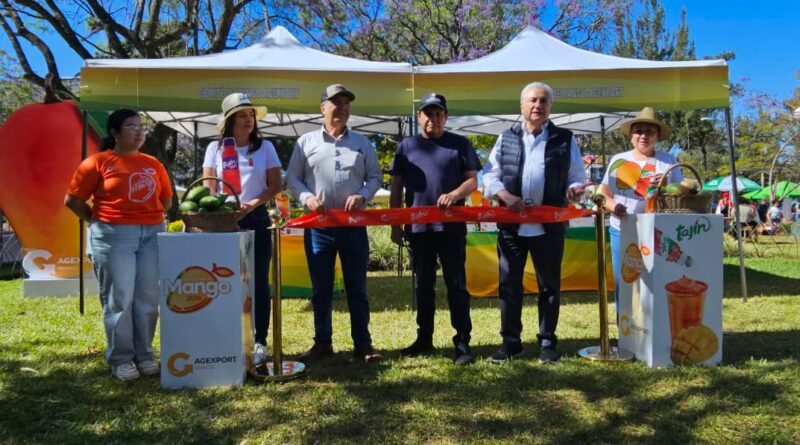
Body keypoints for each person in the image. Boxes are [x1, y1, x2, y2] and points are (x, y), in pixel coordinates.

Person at [482, 82, 589, 364]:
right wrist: (504, 195)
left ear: (550, 107)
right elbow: (489, 177)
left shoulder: (565, 139)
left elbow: (577, 176)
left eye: (543, 101)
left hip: (549, 228)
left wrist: (576, 189)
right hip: (511, 228)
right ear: (522, 106)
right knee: (508, 286)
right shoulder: (505, 138)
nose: (537, 105)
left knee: (549, 287)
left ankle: (547, 343)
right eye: (532, 100)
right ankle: (511, 343)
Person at [65, 109, 172, 381]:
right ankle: (121, 359)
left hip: (151, 233)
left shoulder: (153, 163)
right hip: (113, 235)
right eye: (130, 127)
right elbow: (73, 200)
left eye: (141, 127)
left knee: (147, 299)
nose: (138, 132)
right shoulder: (97, 163)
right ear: (114, 133)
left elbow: (166, 200)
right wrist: (98, 223)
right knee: (119, 298)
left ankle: (145, 354)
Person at [286, 84, 384, 363]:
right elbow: (292, 177)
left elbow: (375, 178)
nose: (341, 107)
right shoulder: (305, 143)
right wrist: (306, 197)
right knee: (321, 289)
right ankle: (322, 342)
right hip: (318, 227)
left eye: (346, 103)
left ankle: (363, 345)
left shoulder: (363, 144)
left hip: (353, 227)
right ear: (322, 108)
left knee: (357, 288)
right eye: (335, 102)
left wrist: (363, 195)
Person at [389, 93, 481, 365]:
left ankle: (462, 342)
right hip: (419, 230)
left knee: (456, 285)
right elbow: (396, 187)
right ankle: (424, 339)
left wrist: (454, 195)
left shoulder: (460, 144)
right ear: (419, 117)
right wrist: (396, 223)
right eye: (428, 113)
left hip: (451, 228)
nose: (434, 118)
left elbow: (473, 181)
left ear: (446, 117)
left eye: (439, 113)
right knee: (423, 285)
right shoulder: (407, 147)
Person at [202, 93, 281, 366]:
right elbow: (208, 186)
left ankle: (260, 340)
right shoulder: (215, 149)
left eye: (251, 115)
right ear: (229, 120)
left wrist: (251, 205)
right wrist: (222, 211)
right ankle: (226, 335)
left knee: (259, 280)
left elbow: (275, 185)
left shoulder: (266, 147)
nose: (249, 120)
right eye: (242, 116)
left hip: (257, 218)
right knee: (224, 280)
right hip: (224, 220)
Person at [597, 107, 682, 324]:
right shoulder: (619, 160)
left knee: (655, 278)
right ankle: (625, 329)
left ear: (657, 136)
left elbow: (681, 191)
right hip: (622, 228)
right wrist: (613, 206)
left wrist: (663, 186)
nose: (643, 136)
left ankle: (653, 327)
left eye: (649, 132)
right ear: (631, 136)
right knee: (624, 280)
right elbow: (603, 192)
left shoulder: (668, 161)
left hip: (657, 230)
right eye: (639, 131)